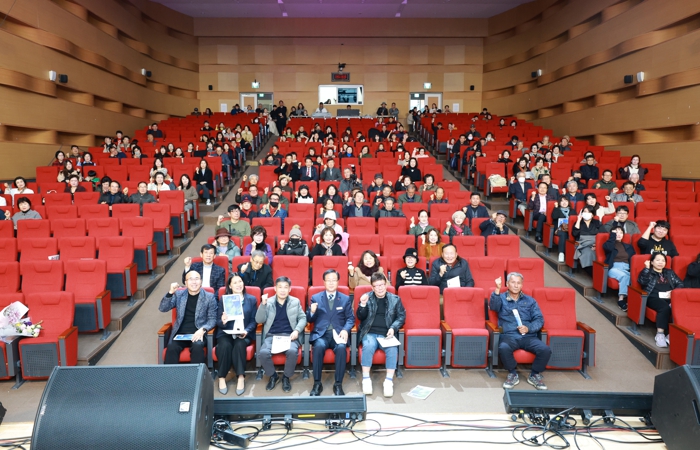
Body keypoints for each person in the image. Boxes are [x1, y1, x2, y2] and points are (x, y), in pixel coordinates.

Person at [489, 273, 551, 390]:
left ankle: (534, 374)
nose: (516, 285)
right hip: (509, 335)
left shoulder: (530, 301)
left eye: (518, 283)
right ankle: (512, 373)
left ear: (522, 285)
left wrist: (528, 328)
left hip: (528, 336)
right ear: (507, 284)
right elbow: (494, 306)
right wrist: (497, 289)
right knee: (503, 347)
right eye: (513, 282)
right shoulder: (501, 298)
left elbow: (539, 319)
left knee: (545, 350)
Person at [357, 272, 405, 397]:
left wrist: (393, 328)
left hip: (386, 334)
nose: (380, 288)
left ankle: (388, 381)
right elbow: (360, 317)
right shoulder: (366, 297)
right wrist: (362, 304)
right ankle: (366, 379)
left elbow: (401, 317)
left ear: (386, 284)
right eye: (377, 286)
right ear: (372, 287)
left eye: (382, 285)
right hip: (369, 332)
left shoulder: (395, 299)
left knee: (392, 349)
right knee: (368, 346)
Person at [307, 270, 354, 396]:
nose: (331, 283)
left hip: (338, 334)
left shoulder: (345, 299)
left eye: (334, 280)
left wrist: (345, 329)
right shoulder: (316, 298)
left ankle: (338, 384)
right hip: (321, 334)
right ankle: (317, 383)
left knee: (341, 348)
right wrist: (312, 312)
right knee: (318, 346)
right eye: (328, 280)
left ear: (338, 282)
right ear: (324, 282)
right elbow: (309, 319)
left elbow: (350, 318)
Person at [256, 276, 306, 392]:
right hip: (271, 336)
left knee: (292, 352)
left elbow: (303, 318)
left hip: (289, 336)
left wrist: (297, 330)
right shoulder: (268, 302)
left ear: (289, 289)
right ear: (275, 288)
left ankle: (286, 377)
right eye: (280, 287)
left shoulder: (295, 301)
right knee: (263, 353)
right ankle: (273, 376)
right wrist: (263, 305)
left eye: (285, 287)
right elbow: (259, 320)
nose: (282, 290)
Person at [159, 270, 217, 365]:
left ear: (201, 281)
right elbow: (163, 308)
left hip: (198, 334)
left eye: (197, 279)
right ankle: (170, 374)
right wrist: (170, 292)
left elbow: (213, 319)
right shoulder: (179, 295)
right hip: (180, 334)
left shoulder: (209, 297)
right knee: (172, 347)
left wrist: (203, 329)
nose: (194, 282)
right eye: (190, 279)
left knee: (197, 346)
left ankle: (196, 374)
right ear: (185, 283)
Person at [215, 274, 257, 395]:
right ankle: (221, 377)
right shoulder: (224, 300)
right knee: (225, 346)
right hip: (226, 332)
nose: (238, 284)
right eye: (235, 282)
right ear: (230, 286)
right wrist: (223, 321)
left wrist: (246, 331)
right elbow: (218, 321)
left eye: (240, 281)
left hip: (243, 333)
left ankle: (240, 377)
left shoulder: (251, 299)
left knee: (239, 344)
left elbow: (254, 321)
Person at [639, 253, 684, 348]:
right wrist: (647, 268)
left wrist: (673, 291)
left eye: (663, 261)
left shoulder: (669, 272)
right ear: (652, 262)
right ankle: (660, 334)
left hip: (669, 297)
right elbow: (642, 281)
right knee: (664, 308)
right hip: (653, 297)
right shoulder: (648, 272)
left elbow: (680, 283)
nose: (661, 262)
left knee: (680, 307)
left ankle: (671, 334)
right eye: (658, 260)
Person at [604, 226, 636, 311]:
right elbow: (609, 248)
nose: (618, 234)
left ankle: (634, 301)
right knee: (625, 276)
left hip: (626, 268)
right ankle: (621, 299)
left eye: (621, 232)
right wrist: (612, 236)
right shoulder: (608, 244)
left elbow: (633, 259)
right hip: (613, 268)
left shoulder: (628, 246)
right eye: (616, 232)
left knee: (634, 278)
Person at [572, 205, 602, 274]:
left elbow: (603, 234)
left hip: (595, 244)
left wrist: (598, 245)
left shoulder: (597, 222)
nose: (586, 213)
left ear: (592, 214)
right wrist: (578, 220)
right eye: (585, 211)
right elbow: (575, 234)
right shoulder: (578, 222)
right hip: (583, 245)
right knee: (589, 253)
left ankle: (600, 273)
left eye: (589, 212)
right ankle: (594, 274)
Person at [551, 196, 572, 263]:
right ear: (559, 203)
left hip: (570, 230)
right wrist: (556, 207)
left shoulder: (572, 211)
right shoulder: (557, 209)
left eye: (566, 201)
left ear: (568, 202)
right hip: (559, 229)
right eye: (562, 201)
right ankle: (561, 253)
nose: (564, 202)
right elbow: (554, 216)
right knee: (563, 234)